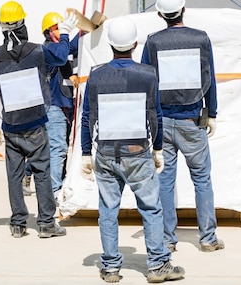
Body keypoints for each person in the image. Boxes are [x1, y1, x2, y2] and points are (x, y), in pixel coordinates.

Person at [80, 16, 185, 283]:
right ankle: (158, 266)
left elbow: (87, 116)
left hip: (106, 153)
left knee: (108, 211)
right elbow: (156, 116)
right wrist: (158, 148)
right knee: (151, 209)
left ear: (110, 44)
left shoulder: (96, 76)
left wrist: (84, 153)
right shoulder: (147, 74)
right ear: (135, 44)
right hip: (138, 152)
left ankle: (112, 268)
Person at [141, 0, 223, 253]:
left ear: (160, 14)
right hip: (192, 122)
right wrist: (211, 113)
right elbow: (209, 78)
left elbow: (145, 81)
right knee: (202, 180)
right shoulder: (201, 39)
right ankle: (208, 238)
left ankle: (167, 239)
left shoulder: (153, 42)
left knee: (164, 181)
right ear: (183, 9)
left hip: (162, 123)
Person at [0, 0, 76, 239]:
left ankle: (18, 224)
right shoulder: (37, 52)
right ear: (22, 23)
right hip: (35, 123)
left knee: (14, 175)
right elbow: (60, 56)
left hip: (11, 126)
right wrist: (65, 34)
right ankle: (46, 224)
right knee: (42, 172)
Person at [41, 11, 80, 200]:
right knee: (57, 148)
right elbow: (63, 56)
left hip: (64, 107)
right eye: (58, 28)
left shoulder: (59, 47)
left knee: (59, 148)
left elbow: (72, 47)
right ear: (49, 31)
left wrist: (85, 31)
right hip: (54, 107)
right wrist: (66, 34)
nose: (61, 31)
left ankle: (57, 184)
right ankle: (53, 191)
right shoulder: (48, 50)